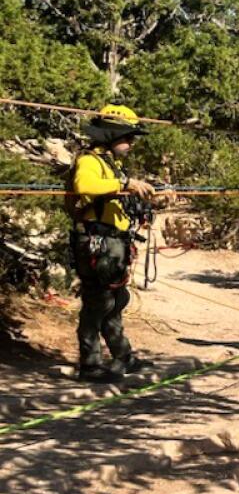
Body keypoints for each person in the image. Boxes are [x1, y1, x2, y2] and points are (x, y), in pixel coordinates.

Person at [69, 104, 157, 383]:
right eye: (127, 137)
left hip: (113, 242)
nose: (131, 142)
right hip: (96, 241)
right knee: (97, 303)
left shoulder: (111, 165)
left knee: (116, 300)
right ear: (109, 135)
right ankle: (90, 364)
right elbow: (85, 185)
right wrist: (126, 183)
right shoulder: (89, 161)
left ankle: (123, 355)